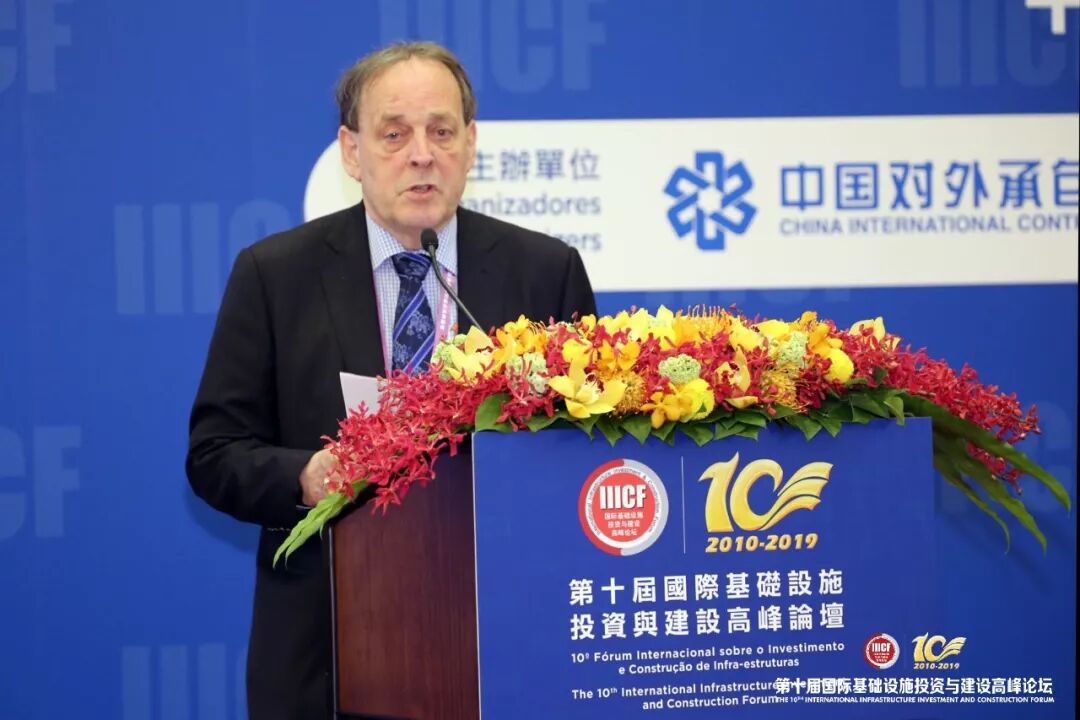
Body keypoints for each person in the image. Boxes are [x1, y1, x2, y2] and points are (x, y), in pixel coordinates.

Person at [186, 41, 596, 719]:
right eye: (394, 134)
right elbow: (214, 454)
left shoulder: (543, 273)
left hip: (509, 648)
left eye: (442, 131)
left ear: (471, 143)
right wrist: (308, 477)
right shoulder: (275, 276)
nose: (422, 155)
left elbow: (584, 456)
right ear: (352, 151)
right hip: (327, 655)